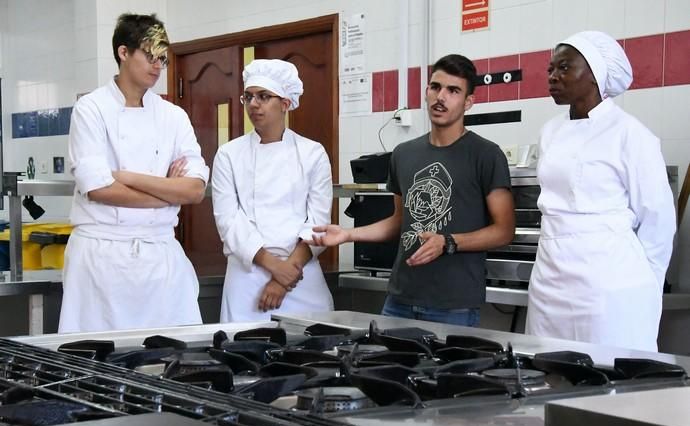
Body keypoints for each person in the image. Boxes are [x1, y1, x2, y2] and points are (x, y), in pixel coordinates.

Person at [310, 54, 515, 326]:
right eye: (435, 87)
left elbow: (504, 230)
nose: (441, 97)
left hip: (453, 305)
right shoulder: (404, 154)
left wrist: (448, 242)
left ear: (468, 102)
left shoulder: (486, 155)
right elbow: (399, 222)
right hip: (399, 300)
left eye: (453, 91)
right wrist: (348, 234)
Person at [525, 31, 676, 352]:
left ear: (595, 74)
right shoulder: (550, 131)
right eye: (550, 69)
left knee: (610, 380)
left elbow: (658, 220)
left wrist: (645, 283)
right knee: (547, 371)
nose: (552, 76)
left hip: (609, 283)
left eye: (564, 68)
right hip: (550, 278)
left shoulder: (630, 134)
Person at [59, 13, 209, 333]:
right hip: (101, 260)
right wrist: (167, 193)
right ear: (123, 53)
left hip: (160, 259)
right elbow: (98, 188)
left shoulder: (173, 116)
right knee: (98, 362)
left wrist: (125, 176)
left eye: (162, 59)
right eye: (149, 56)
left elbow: (195, 190)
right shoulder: (91, 109)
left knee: (172, 358)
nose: (157, 66)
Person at [212, 59, 334, 322]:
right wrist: (274, 267)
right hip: (248, 276)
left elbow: (318, 223)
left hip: (300, 275)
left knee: (313, 356)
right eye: (248, 97)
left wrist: (284, 277)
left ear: (286, 103)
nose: (253, 104)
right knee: (242, 356)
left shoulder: (312, 153)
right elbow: (229, 221)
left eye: (264, 96)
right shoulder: (229, 155)